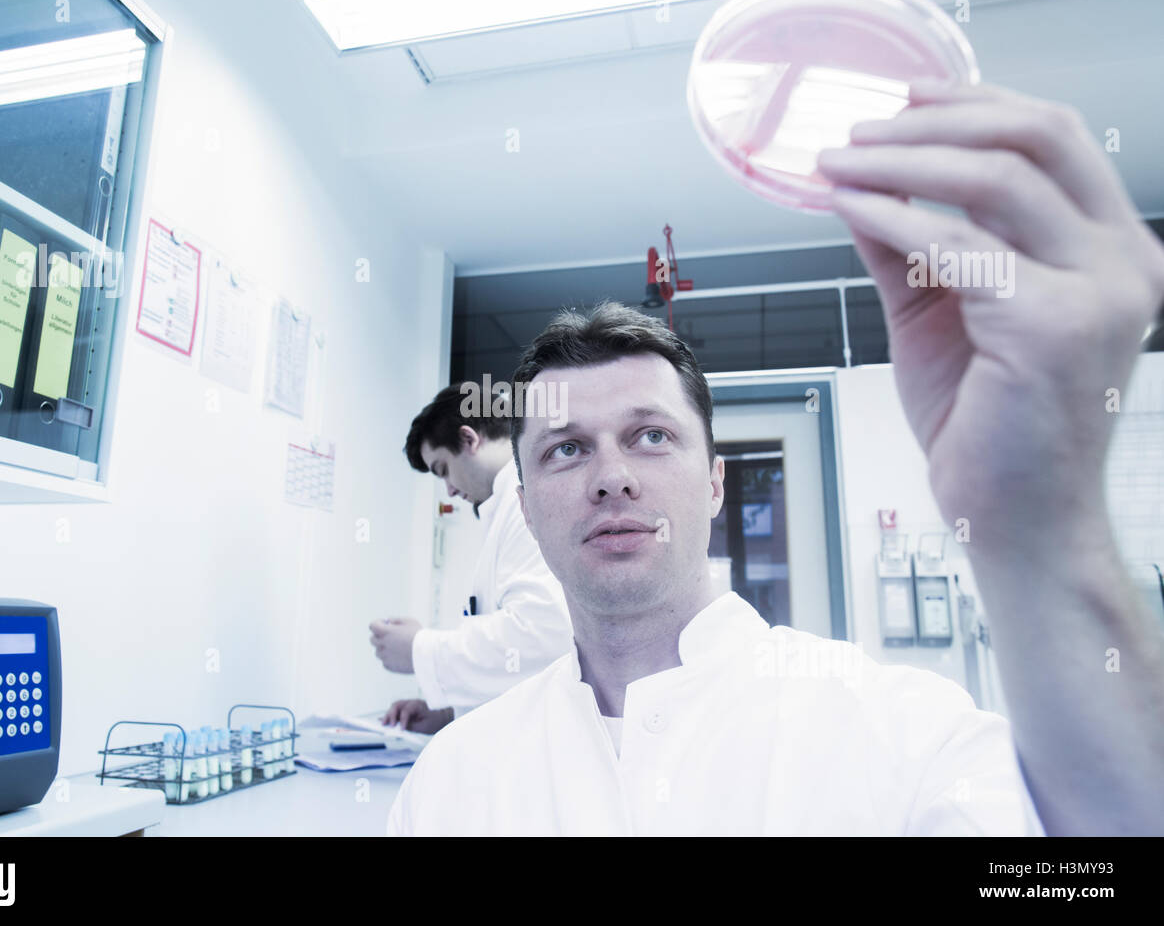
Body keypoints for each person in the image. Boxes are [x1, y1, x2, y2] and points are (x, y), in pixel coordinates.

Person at [387, 82, 1164, 834]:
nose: (612, 475)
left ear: (717, 481)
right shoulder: (454, 782)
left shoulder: (901, 736)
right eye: (565, 450)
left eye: (651, 436)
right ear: (523, 506)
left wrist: (1044, 527)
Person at [369, 384, 573, 733]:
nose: (447, 489)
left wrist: (422, 649)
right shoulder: (504, 506)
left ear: (468, 439)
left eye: (443, 469)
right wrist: (449, 714)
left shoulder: (531, 502)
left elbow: (543, 636)